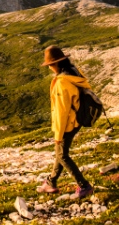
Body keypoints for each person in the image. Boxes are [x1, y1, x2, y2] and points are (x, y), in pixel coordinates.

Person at [37, 45, 94, 199]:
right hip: (77, 119)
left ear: (55, 64)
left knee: (62, 155)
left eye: (49, 65)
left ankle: (84, 186)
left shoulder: (62, 82)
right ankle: (50, 182)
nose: (49, 68)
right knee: (60, 153)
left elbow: (62, 111)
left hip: (68, 123)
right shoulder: (74, 72)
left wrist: (58, 133)